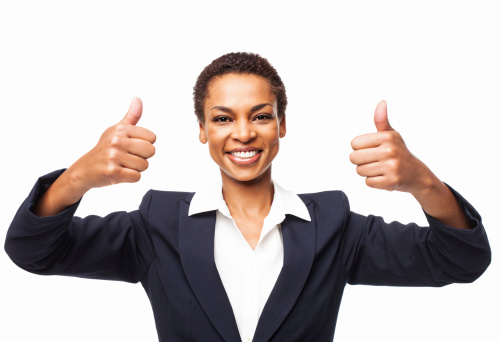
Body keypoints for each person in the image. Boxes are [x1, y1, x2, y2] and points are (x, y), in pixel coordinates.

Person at [5, 52, 491, 342]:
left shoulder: (335, 225)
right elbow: (32, 251)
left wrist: (422, 183)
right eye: (222, 118)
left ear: (282, 125)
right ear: (202, 130)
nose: (243, 133)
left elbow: (460, 262)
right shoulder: (156, 225)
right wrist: (78, 178)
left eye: (260, 116)